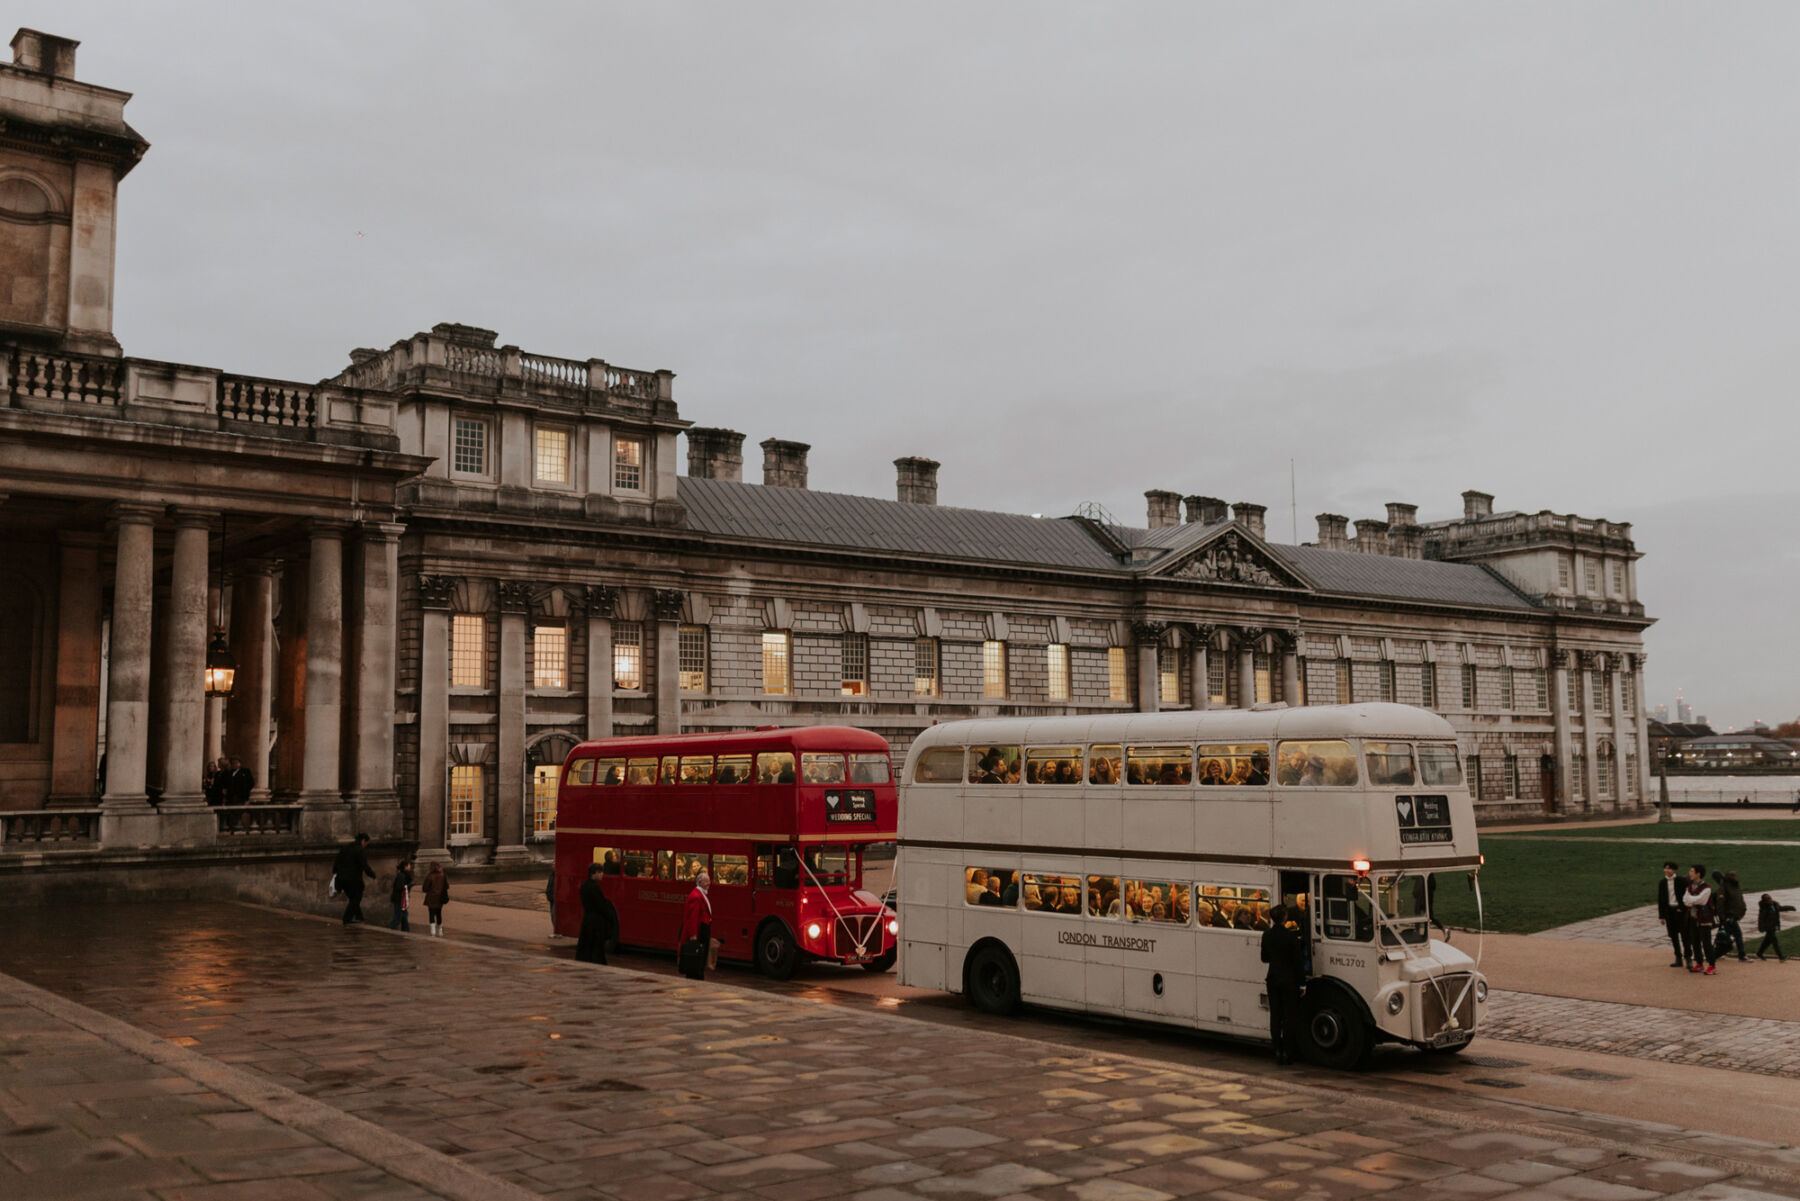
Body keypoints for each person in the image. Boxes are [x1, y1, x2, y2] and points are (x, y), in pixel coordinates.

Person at [1260, 903, 1306, 1065]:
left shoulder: (1266, 935)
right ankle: (1288, 1051)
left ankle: (1277, 1050)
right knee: (1288, 1017)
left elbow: (1264, 958)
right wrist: (1302, 984)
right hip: (1289, 980)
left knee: (1275, 1015)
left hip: (1272, 978)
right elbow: (1298, 962)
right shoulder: (1291, 936)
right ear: (1285, 917)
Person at [331, 834, 376, 926]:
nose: (366, 845)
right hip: (353, 879)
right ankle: (347, 919)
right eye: (366, 843)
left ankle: (359, 916)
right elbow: (364, 865)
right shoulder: (359, 850)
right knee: (356, 898)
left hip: (341, 878)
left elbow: (336, 862)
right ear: (363, 841)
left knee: (353, 898)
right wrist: (372, 874)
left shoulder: (345, 848)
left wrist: (335, 872)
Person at [677, 868, 713, 980]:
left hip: (702, 929)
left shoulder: (700, 894)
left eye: (709, 881)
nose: (709, 884)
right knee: (697, 956)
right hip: (699, 931)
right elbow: (692, 918)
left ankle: (698, 973)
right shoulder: (696, 896)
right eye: (706, 881)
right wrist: (693, 935)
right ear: (699, 882)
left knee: (700, 955)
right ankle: (696, 974)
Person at [1682, 864, 1718, 975]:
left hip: (1703, 919)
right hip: (1693, 918)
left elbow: (1701, 900)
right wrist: (1693, 900)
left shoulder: (1707, 888)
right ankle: (1699, 963)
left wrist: (1691, 900)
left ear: (1698, 874)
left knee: (1706, 943)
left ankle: (1712, 965)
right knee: (1695, 942)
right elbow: (1684, 900)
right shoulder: (1690, 887)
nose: (1690, 873)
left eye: (1692, 871)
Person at [576, 863, 609, 964]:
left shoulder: (584, 886)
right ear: (594, 874)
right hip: (596, 920)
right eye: (600, 872)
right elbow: (600, 905)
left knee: (586, 943)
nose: (602, 875)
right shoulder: (595, 888)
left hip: (587, 918)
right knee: (596, 944)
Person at [1656, 861, 1687, 968]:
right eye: (1665, 868)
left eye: (1669, 868)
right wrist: (1662, 915)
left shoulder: (1681, 881)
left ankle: (1688, 957)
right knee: (1673, 936)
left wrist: (1682, 908)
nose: (1667, 870)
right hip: (1669, 911)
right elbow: (1660, 899)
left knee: (1684, 935)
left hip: (1679, 910)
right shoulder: (1662, 882)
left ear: (1674, 870)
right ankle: (1678, 957)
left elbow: (1686, 895)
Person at [1713, 870, 1748, 962]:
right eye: (1732, 875)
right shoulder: (1725, 887)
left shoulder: (1734, 885)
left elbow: (1739, 899)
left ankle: (1715, 953)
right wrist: (1723, 917)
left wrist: (1742, 909)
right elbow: (1721, 903)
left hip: (1733, 916)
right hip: (1728, 916)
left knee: (1724, 935)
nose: (1734, 877)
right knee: (1737, 935)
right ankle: (1741, 955)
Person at [1755, 893, 1792, 961]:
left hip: (1773, 925)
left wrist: (1789, 907)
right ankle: (1781, 957)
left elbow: (1780, 908)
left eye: (1770, 898)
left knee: (1767, 941)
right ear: (1765, 901)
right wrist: (1762, 927)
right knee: (1774, 942)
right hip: (1769, 927)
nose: (1770, 900)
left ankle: (1759, 953)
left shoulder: (1774, 904)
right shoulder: (1764, 908)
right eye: (1768, 899)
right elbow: (1761, 918)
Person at [422, 861, 449, 937]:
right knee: (439, 913)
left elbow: (425, 888)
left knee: (431, 914)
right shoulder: (443, 875)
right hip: (440, 897)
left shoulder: (429, 876)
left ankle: (432, 931)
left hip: (431, 897)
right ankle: (440, 931)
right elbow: (447, 886)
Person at [388, 857, 414, 932]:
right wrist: (408, 886)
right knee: (399, 916)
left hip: (402, 898)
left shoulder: (403, 875)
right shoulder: (402, 875)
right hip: (400, 899)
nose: (410, 867)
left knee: (403, 915)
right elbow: (399, 887)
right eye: (409, 865)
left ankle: (406, 930)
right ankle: (392, 929)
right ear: (405, 866)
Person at [545, 868, 560, 938]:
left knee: (554, 914)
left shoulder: (557, 875)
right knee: (552, 915)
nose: (553, 865)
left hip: (555, 898)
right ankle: (556, 930)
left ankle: (558, 931)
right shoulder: (552, 875)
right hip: (551, 898)